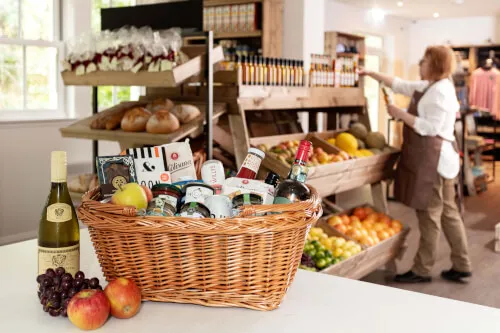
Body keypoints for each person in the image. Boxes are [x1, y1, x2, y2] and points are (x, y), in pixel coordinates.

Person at [360, 46, 472, 283]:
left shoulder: (439, 92)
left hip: (435, 163)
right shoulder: (433, 86)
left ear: (435, 65)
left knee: (429, 215)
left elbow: (429, 128)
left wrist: (399, 113)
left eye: (425, 60)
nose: (420, 63)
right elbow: (400, 84)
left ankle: (422, 269)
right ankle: (462, 264)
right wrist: (371, 73)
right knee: (449, 213)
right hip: (442, 161)